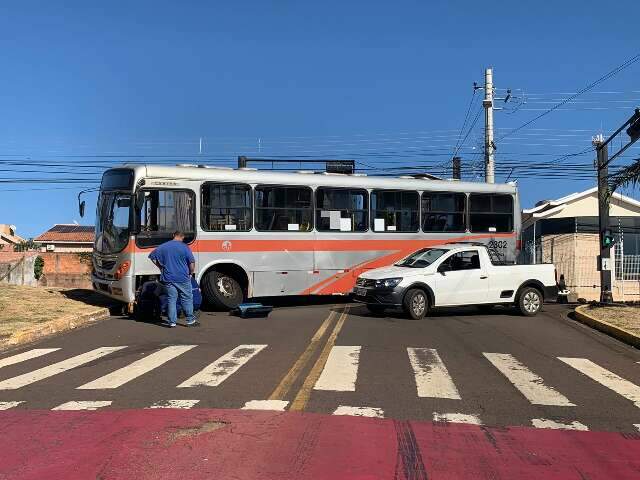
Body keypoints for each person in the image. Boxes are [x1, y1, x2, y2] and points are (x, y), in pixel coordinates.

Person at [149, 231, 199, 327]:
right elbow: (191, 262)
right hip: (182, 277)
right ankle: (190, 321)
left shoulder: (163, 246)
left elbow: (152, 257)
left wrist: (160, 267)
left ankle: (172, 322)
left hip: (168, 277)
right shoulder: (184, 247)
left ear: (173, 235)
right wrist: (191, 272)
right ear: (182, 237)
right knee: (187, 298)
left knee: (171, 299)